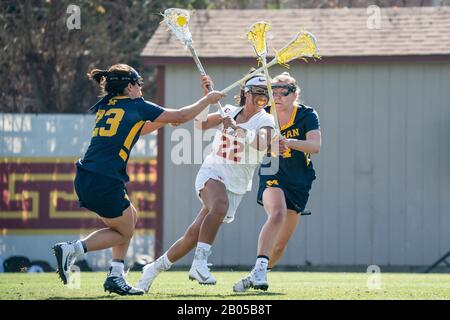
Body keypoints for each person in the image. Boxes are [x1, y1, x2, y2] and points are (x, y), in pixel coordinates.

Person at [52, 63, 223, 296]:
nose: (141, 89)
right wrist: (208, 99)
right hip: (104, 180)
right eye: (138, 84)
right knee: (124, 231)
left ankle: (115, 274)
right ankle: (73, 249)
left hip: (87, 177)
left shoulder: (109, 104)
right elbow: (182, 115)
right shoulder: (136, 105)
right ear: (129, 86)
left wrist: (166, 119)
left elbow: (140, 128)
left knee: (130, 217)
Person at [136, 73, 280, 292]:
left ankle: (153, 269)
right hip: (213, 172)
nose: (262, 101)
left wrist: (238, 130)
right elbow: (200, 123)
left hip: (237, 185)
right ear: (246, 93)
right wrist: (208, 98)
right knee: (219, 205)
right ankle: (200, 263)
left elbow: (262, 143)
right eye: (258, 95)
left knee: (193, 235)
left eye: (265, 97)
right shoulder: (228, 112)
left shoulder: (266, 120)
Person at [233, 72, 321, 292]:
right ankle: (261, 267)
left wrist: (288, 142)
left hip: (299, 180)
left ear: (295, 93)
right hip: (272, 171)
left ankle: (256, 273)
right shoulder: (265, 114)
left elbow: (315, 146)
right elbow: (242, 121)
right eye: (274, 91)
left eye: (285, 91)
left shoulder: (307, 115)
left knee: (280, 245)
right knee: (277, 213)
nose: (278, 96)